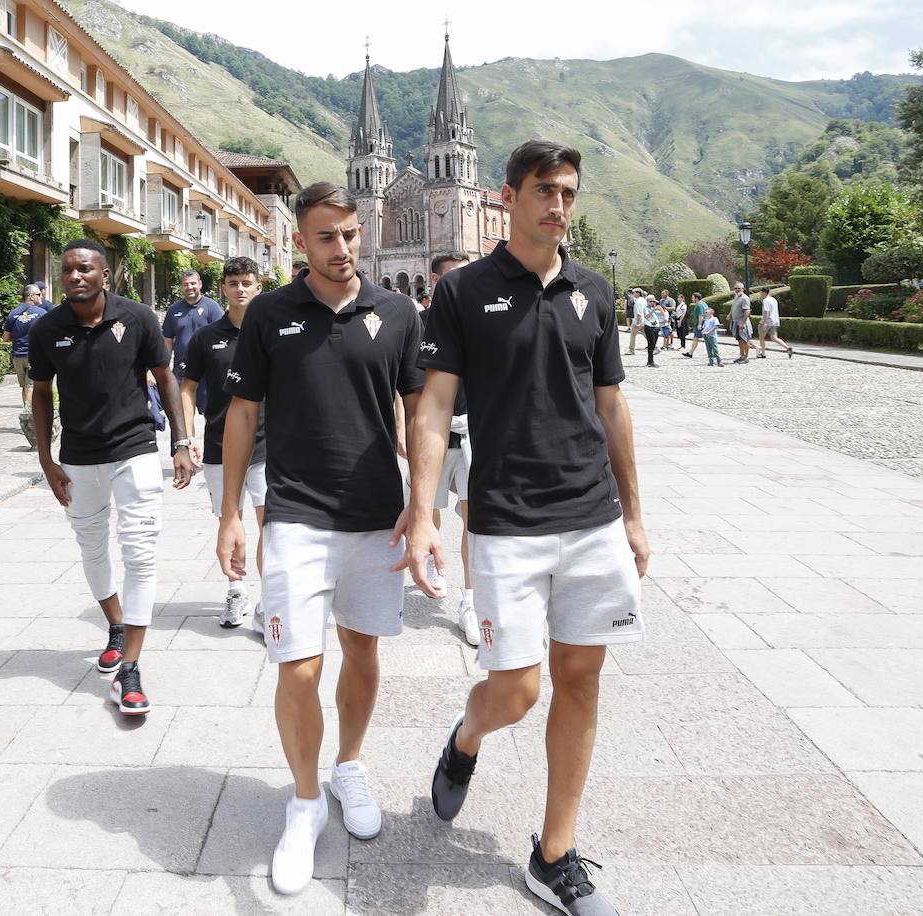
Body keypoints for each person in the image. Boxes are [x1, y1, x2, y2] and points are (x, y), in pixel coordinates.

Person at [405, 140, 647, 916]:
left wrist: (635, 514)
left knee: (581, 678)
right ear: (507, 197)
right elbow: (435, 405)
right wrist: (423, 512)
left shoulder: (594, 292)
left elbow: (611, 405)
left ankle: (554, 854)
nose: (559, 205)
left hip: (591, 516)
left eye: (569, 191)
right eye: (545, 190)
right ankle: (467, 736)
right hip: (507, 520)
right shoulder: (465, 291)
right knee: (516, 690)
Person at [216, 182, 424, 896]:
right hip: (296, 514)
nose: (342, 250)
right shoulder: (271, 313)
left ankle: (349, 765)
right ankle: (304, 802)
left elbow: (418, 413)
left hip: (374, 513)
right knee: (297, 666)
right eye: (326, 238)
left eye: (350, 235)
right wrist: (230, 515)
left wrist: (423, 508)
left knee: (362, 649)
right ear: (300, 243)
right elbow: (241, 415)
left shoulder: (397, 312)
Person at [27, 239, 197, 716]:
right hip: (78, 455)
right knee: (92, 546)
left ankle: (131, 669)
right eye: (67, 270)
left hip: (134, 448)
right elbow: (41, 393)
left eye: (85, 268)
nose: (75, 276)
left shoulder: (138, 317)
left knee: (140, 549)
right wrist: (45, 459)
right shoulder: (47, 328)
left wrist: (180, 442)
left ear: (106, 274)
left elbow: (164, 378)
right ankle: (117, 626)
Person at [180, 256, 269, 630]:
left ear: (258, 286)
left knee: (274, 525)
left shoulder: (271, 332)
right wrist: (186, 438)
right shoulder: (206, 337)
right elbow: (186, 388)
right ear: (223, 289)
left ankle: (271, 599)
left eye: (247, 282)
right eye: (233, 283)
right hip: (218, 446)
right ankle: (236, 590)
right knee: (228, 521)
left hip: (268, 445)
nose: (240, 289)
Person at [424, 251, 478, 644]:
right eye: (453, 279)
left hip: (476, 432)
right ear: (436, 282)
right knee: (430, 509)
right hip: (434, 434)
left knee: (474, 517)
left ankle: (473, 599)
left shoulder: (485, 320)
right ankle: (433, 560)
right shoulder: (419, 322)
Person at [163, 269, 224, 415]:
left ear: (200, 284)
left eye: (193, 283)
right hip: (181, 372)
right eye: (185, 284)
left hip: (207, 372)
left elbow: (222, 337)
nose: (189, 287)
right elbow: (167, 341)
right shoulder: (173, 310)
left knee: (212, 416)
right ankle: (185, 439)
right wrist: (163, 367)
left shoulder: (212, 307)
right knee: (181, 416)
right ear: (181, 287)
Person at [3, 285, 48, 407]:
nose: (41, 297)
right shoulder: (42, 313)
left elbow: (5, 338)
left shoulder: (13, 314)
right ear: (31, 296)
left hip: (17, 356)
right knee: (31, 387)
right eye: (39, 294)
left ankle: (26, 412)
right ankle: (30, 416)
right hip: (34, 355)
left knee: (25, 387)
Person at [756, 288, 793, 359]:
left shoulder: (766, 301)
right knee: (774, 338)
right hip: (774, 321)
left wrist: (764, 322)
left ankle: (763, 353)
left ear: (764, 293)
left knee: (761, 337)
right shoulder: (773, 299)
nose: (760, 294)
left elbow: (767, 312)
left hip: (767, 321)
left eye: (760, 293)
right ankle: (788, 348)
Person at [729, 282, 754, 364]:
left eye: (739, 288)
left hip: (742, 321)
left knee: (745, 339)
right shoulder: (736, 297)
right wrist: (730, 315)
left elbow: (747, 311)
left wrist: (743, 323)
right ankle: (742, 355)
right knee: (739, 340)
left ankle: (746, 357)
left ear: (743, 289)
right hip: (736, 321)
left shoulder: (744, 298)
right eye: (735, 288)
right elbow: (733, 306)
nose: (737, 290)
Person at [683, 292, 706, 359]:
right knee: (696, 338)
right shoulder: (703, 303)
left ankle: (691, 353)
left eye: (693, 298)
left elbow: (700, 315)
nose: (692, 299)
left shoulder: (699, 305)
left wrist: (699, 324)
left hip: (700, 324)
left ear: (696, 298)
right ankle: (690, 352)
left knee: (699, 338)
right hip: (703, 324)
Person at [641, 291, 661, 367]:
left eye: (654, 301)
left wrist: (659, 308)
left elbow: (663, 314)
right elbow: (646, 316)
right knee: (651, 344)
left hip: (656, 327)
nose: (652, 303)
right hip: (649, 328)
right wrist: (653, 310)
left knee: (654, 344)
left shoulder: (655, 308)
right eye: (651, 301)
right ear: (647, 302)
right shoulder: (646, 308)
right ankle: (650, 361)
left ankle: (651, 360)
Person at [624, 288, 644, 355]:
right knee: (646, 335)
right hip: (643, 321)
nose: (633, 294)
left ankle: (631, 350)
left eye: (634, 293)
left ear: (638, 293)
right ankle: (654, 346)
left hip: (637, 321)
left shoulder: (638, 302)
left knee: (632, 335)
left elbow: (638, 313)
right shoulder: (644, 300)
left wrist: (638, 321)